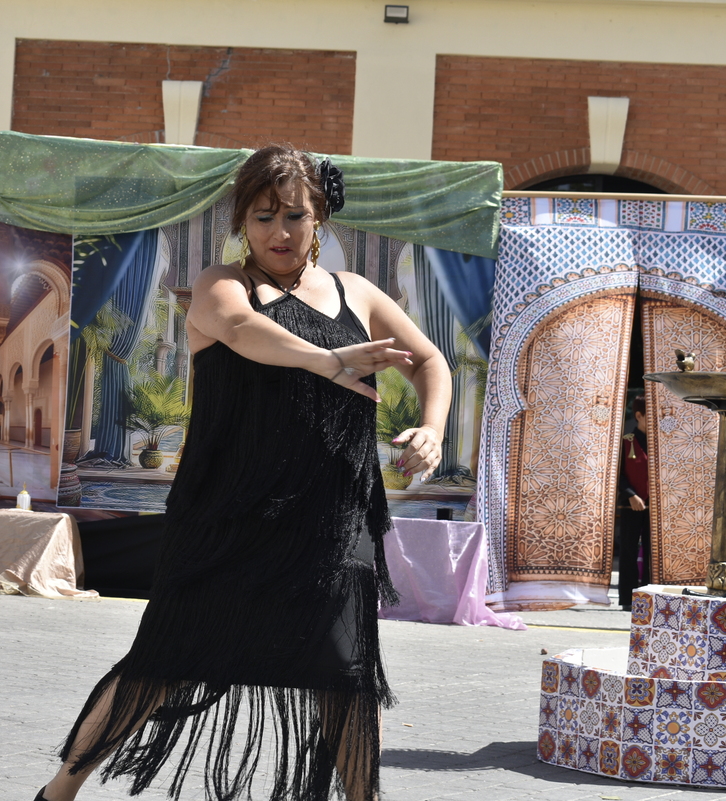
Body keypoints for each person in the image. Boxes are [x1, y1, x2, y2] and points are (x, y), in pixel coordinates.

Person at [35, 146, 451, 801]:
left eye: (295, 215)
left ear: (321, 221)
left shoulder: (358, 295)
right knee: (163, 663)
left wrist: (431, 425)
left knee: (344, 675)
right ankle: (59, 790)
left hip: (333, 518)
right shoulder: (221, 284)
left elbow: (430, 360)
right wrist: (324, 358)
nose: (279, 232)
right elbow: (242, 329)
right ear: (241, 221)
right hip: (226, 516)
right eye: (263, 217)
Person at [617, 394, 651, 610]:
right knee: (629, 551)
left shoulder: (663, 444)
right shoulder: (626, 441)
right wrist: (630, 493)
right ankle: (628, 600)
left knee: (652, 552)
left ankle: (649, 596)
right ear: (638, 415)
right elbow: (617, 474)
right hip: (631, 505)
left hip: (654, 508)